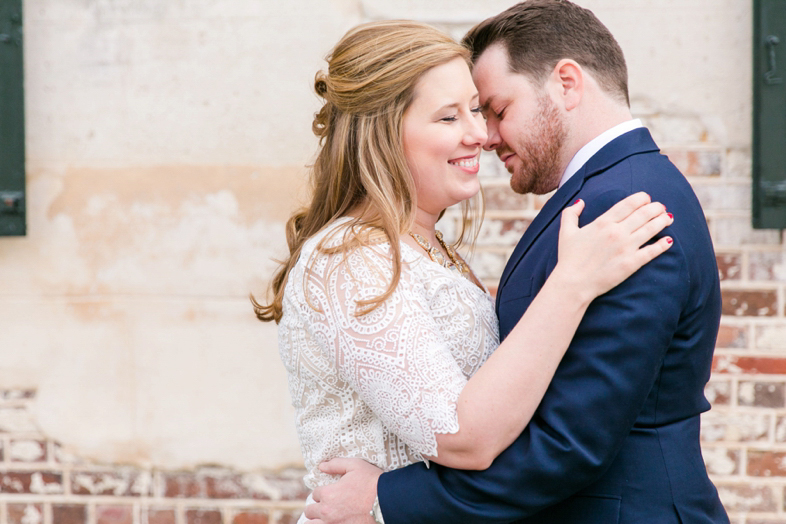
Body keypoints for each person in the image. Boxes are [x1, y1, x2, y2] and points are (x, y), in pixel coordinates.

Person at [303, 2, 729, 524]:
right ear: (385, 134)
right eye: (453, 115)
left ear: (567, 83)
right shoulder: (359, 256)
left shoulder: (619, 205)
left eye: (494, 110)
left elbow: (569, 439)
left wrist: (387, 497)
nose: (485, 136)